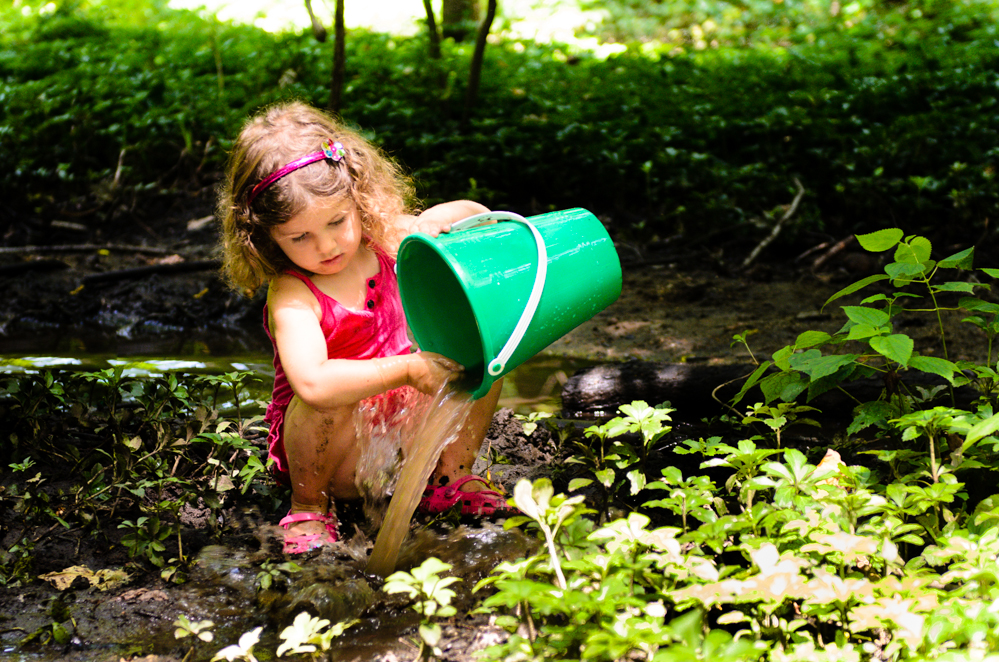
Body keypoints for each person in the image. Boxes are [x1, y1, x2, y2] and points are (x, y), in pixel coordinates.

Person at [218, 101, 511, 553]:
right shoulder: (294, 294)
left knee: (483, 350)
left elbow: (475, 212)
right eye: (301, 237)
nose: (328, 244)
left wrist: (441, 223)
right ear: (264, 237)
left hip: (401, 439)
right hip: (332, 458)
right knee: (326, 397)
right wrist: (408, 370)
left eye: (337, 221)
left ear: (359, 197)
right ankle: (309, 508)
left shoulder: (388, 239)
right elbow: (313, 384)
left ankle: (449, 477)